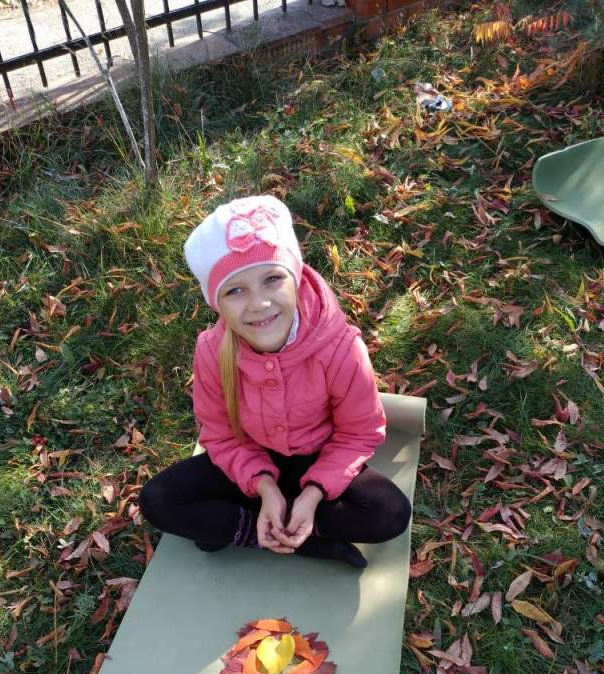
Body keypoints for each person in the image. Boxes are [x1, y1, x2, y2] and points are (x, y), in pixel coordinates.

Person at [138, 194, 411, 568]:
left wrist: (313, 494)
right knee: (158, 500)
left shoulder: (341, 347)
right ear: (216, 303)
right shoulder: (212, 351)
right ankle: (286, 537)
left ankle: (254, 524)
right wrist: (265, 488)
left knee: (389, 512)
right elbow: (221, 436)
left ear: (295, 277)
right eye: (235, 290)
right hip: (252, 462)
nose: (259, 303)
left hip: (319, 460)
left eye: (271, 279)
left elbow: (358, 433)